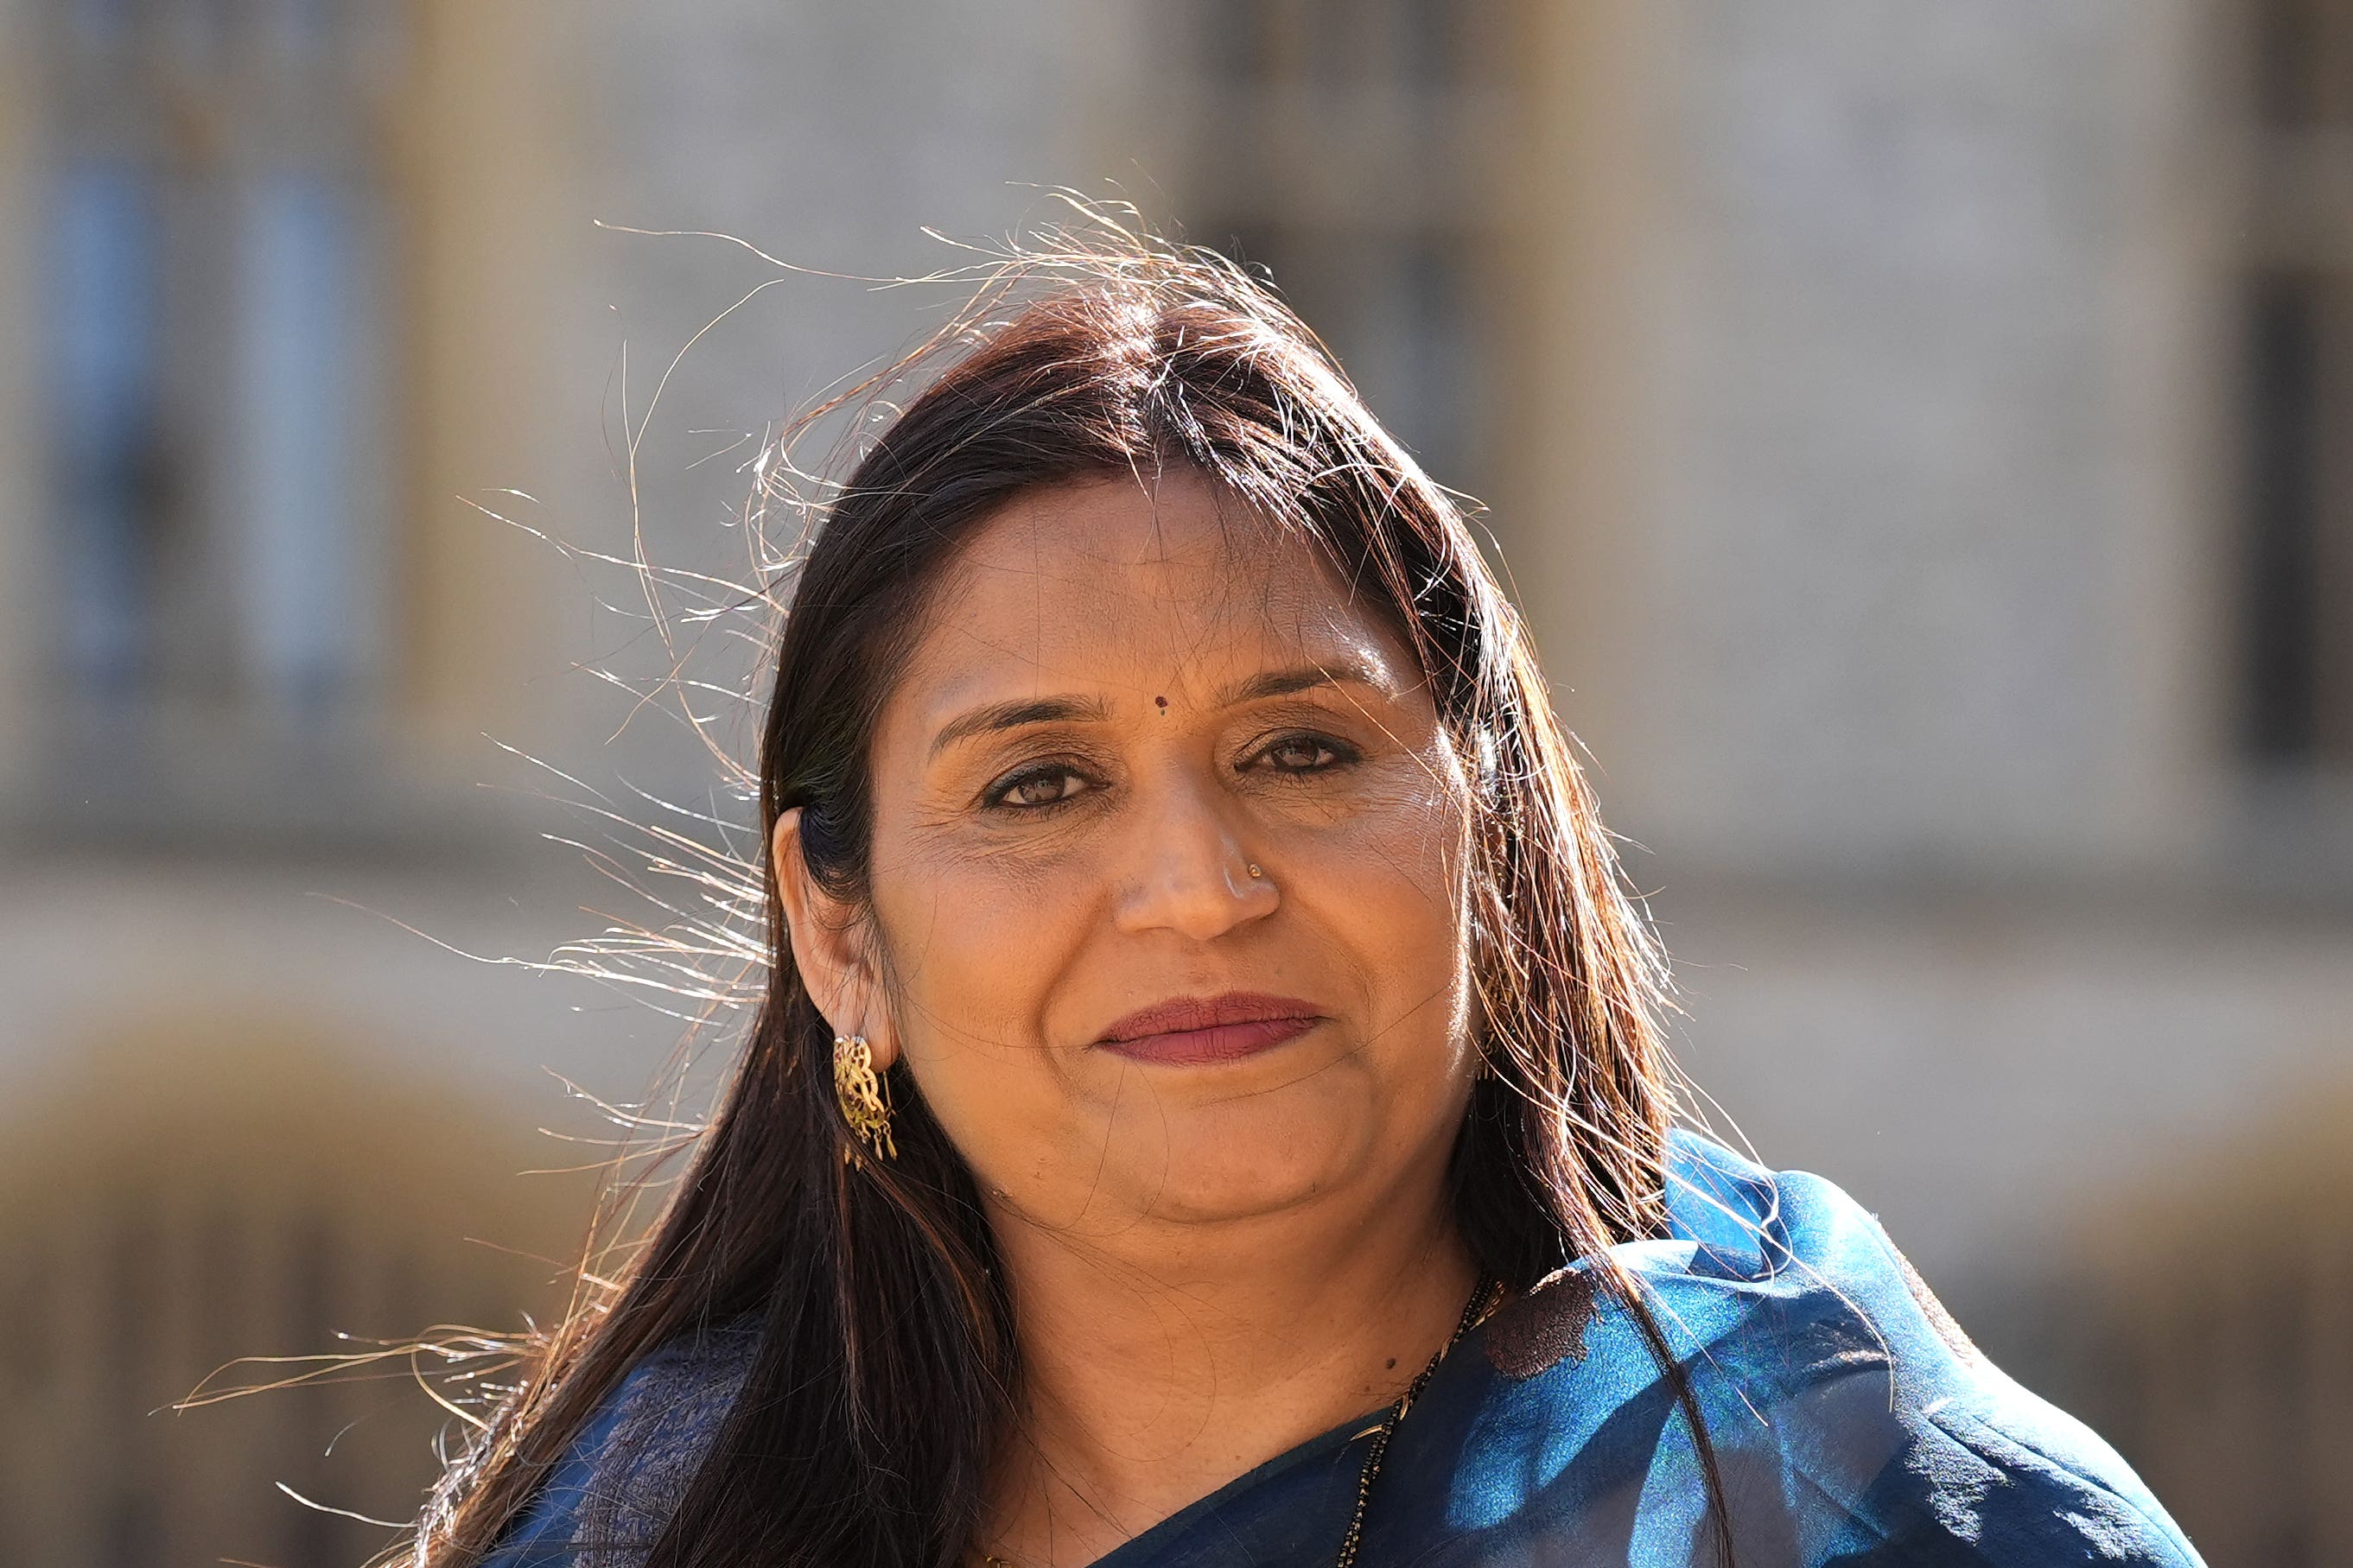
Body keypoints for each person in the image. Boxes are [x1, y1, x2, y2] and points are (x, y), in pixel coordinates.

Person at [410, 227, 2204, 1568]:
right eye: (1039, 784)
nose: (1197, 886)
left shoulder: (1865, 1505)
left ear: (1486, 834)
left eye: (1304, 752)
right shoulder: (643, 1532)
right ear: (839, 932)